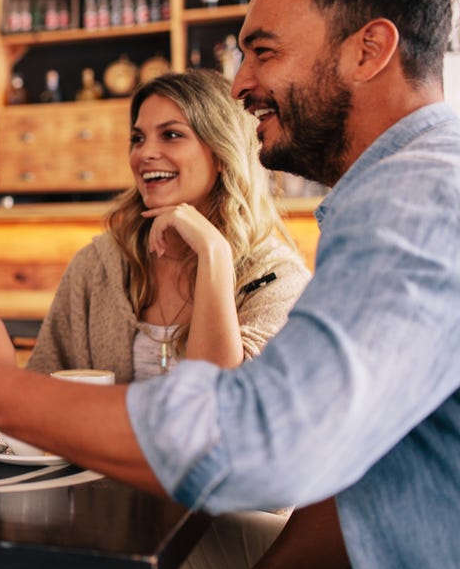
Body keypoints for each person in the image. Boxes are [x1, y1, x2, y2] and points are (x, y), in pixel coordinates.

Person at [0, 0, 460, 569]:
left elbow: (257, 443)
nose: (239, 84)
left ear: (369, 49)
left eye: (263, 51)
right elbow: (359, 484)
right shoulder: (405, 190)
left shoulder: (417, 199)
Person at [27, 69, 309, 384]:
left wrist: (213, 252)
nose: (143, 154)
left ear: (221, 152)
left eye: (171, 135)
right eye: (137, 139)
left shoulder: (278, 281)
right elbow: (39, 391)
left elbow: (221, 402)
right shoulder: (97, 266)